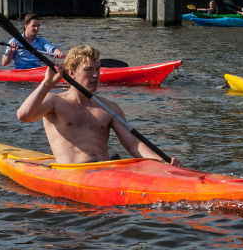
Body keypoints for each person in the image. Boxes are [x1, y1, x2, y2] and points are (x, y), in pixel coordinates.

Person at [16, 45, 180, 165]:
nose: (96, 74)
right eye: (88, 70)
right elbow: (23, 116)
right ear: (72, 73)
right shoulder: (54, 102)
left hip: (105, 169)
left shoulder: (109, 107)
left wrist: (162, 162)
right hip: (71, 173)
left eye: (98, 69)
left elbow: (134, 144)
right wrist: (47, 83)